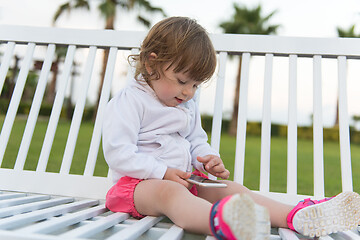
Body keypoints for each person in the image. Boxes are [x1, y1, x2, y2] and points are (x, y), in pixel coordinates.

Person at [102, 16, 360, 239]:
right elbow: (118, 152)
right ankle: (224, 223)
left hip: (184, 182)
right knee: (168, 192)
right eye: (182, 81)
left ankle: (295, 215)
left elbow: (194, 140)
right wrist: (162, 171)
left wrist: (205, 160)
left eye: (195, 85)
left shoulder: (183, 105)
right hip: (136, 187)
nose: (189, 92)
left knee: (232, 189)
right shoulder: (130, 101)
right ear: (151, 64)